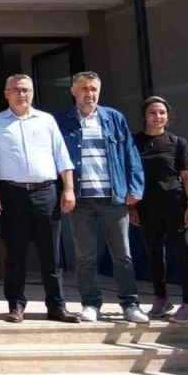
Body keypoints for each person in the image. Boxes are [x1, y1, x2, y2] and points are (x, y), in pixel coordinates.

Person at [0, 74, 79, 324]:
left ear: (33, 92)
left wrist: (68, 189)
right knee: (15, 253)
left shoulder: (47, 120)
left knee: (51, 254)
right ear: (6, 94)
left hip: (46, 192)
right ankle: (16, 305)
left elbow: (62, 157)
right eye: (16, 90)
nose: (21, 95)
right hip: (12, 194)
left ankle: (57, 306)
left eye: (25, 90)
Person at [55, 72, 148, 324]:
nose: (90, 94)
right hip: (81, 199)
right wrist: (64, 190)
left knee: (123, 255)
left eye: (94, 89)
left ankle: (130, 304)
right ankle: (90, 303)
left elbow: (131, 154)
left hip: (113, 197)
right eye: (84, 88)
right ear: (73, 91)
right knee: (85, 256)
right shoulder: (62, 120)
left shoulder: (114, 118)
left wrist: (135, 188)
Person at [134, 96, 188, 322]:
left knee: (184, 252)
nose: (157, 117)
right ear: (144, 116)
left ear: (168, 116)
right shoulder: (134, 142)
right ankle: (161, 299)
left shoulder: (178, 142)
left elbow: (187, 175)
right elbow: (130, 173)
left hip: (175, 204)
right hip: (147, 206)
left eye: (162, 112)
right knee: (154, 253)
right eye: (152, 112)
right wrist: (131, 207)